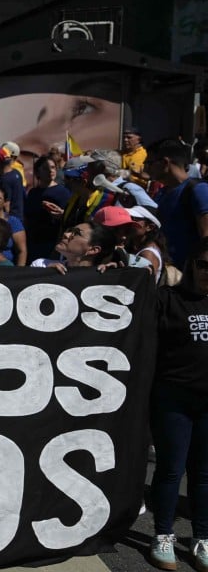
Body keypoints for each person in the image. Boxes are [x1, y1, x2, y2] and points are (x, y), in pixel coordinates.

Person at [149, 236, 208, 571]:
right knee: (171, 470)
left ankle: (202, 537)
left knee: (204, 474)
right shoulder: (168, 299)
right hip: (173, 399)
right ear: (192, 265)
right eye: (204, 265)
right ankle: (163, 534)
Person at [150, 138, 208, 268]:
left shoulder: (199, 190)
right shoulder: (161, 193)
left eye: (149, 163)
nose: (145, 168)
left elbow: (206, 239)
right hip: (168, 270)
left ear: (165, 162)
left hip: (189, 273)